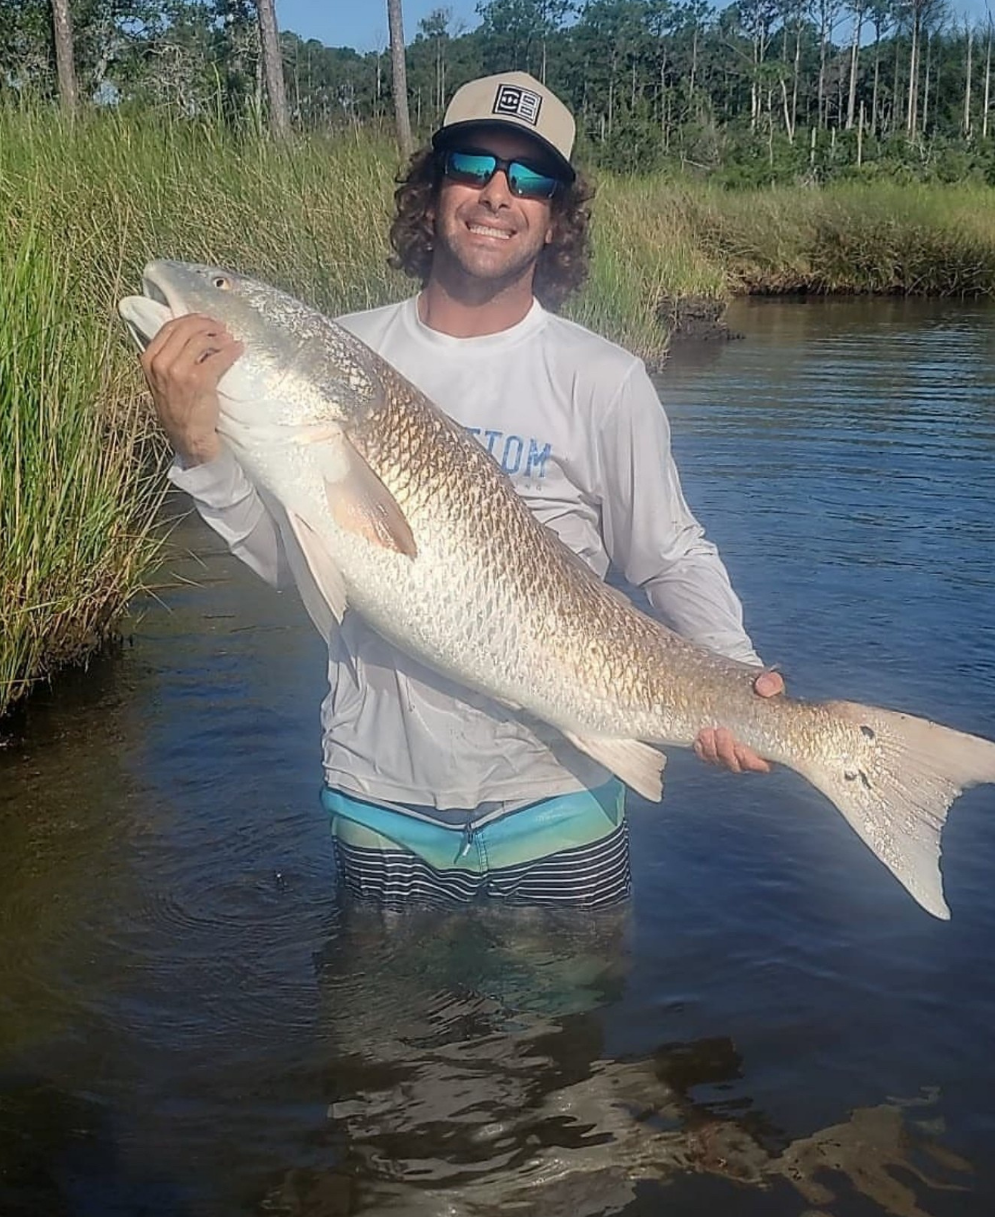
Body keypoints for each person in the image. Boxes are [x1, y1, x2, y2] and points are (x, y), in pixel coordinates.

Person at [138, 71, 784, 910]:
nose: (497, 193)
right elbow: (290, 565)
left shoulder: (603, 378)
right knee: (377, 1042)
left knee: (565, 1035)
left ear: (555, 217)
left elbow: (667, 552)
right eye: (473, 163)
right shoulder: (346, 349)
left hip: (558, 803)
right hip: (378, 796)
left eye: (530, 178)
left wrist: (739, 680)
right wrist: (199, 445)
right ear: (432, 188)